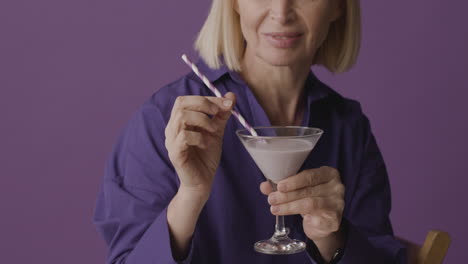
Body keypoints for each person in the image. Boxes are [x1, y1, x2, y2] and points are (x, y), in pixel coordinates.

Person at [93, 0, 406, 263]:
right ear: (234, 4)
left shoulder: (349, 126)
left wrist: (332, 237)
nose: (282, 12)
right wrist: (190, 195)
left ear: (337, 6)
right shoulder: (166, 120)